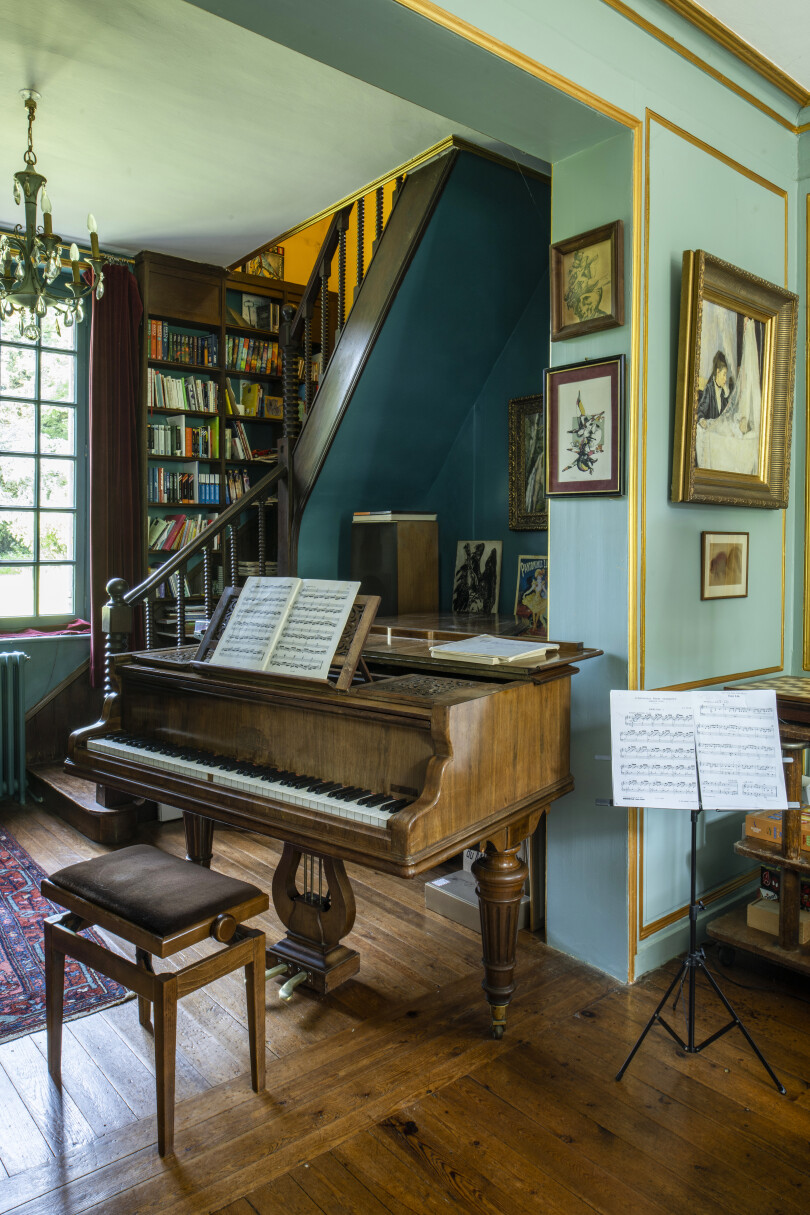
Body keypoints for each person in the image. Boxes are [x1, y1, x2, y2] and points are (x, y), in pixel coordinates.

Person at [697, 351, 731, 427]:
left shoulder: (724, 392)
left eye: (726, 375)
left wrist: (726, 396)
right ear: (718, 372)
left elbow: (726, 416)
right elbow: (700, 410)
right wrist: (702, 420)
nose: (725, 379)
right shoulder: (709, 389)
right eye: (724, 374)